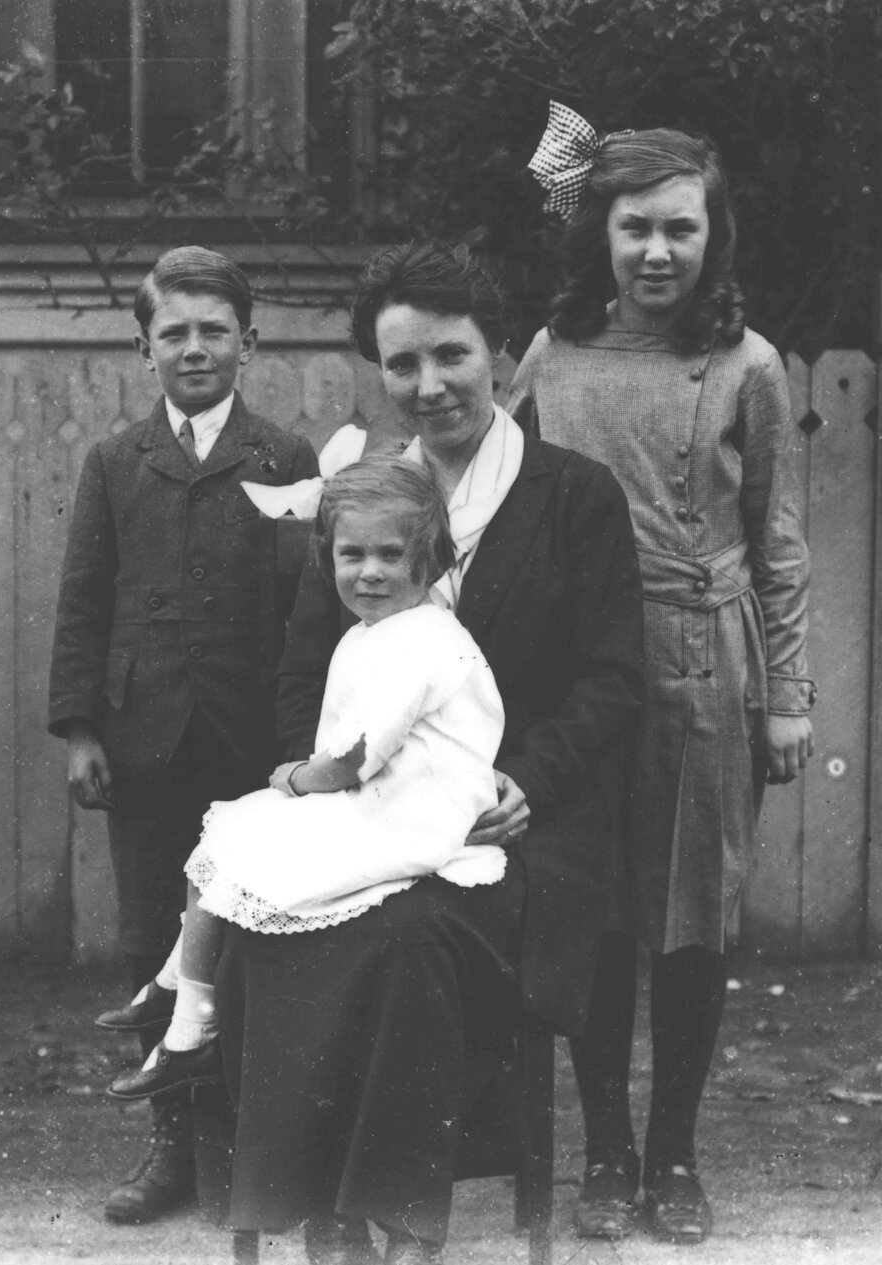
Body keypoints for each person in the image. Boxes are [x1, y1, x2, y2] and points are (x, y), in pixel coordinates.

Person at [198, 240, 644, 1265]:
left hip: (515, 834)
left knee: (401, 938)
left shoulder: (572, 496)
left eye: (451, 354)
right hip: (366, 821)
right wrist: (315, 793)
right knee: (273, 927)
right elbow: (299, 684)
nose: (428, 384)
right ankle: (312, 1207)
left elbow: (613, 677)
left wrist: (526, 779)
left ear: (501, 356)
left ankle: (401, 1220)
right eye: (402, 364)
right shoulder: (361, 501)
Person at [509, 104, 817, 1245]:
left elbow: (778, 539)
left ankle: (675, 1158)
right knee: (591, 915)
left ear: (712, 237)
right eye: (633, 227)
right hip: (581, 672)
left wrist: (789, 696)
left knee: (690, 919)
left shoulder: (746, 366)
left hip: (703, 663)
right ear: (600, 231)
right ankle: (605, 1154)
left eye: (679, 230)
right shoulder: (554, 354)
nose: (654, 253)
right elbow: (506, 503)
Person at [47, 245, 318, 1225]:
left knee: (253, 934)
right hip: (146, 740)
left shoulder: (285, 459)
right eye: (175, 332)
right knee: (153, 937)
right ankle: (170, 1141)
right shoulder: (116, 463)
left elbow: (306, 609)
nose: (194, 348)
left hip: (252, 747)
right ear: (144, 345)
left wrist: (302, 744)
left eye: (213, 330)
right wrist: (81, 728)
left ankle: (245, 1137)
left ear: (247, 342)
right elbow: (84, 602)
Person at [99, 454, 508, 1103]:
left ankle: (186, 1024)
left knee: (235, 844)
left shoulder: (422, 641)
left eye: (390, 554)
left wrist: (290, 779)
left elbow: (349, 760)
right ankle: (179, 998)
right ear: (329, 558)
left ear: (427, 561)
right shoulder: (373, 633)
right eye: (352, 554)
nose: (369, 571)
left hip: (415, 815)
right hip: (379, 798)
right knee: (223, 841)